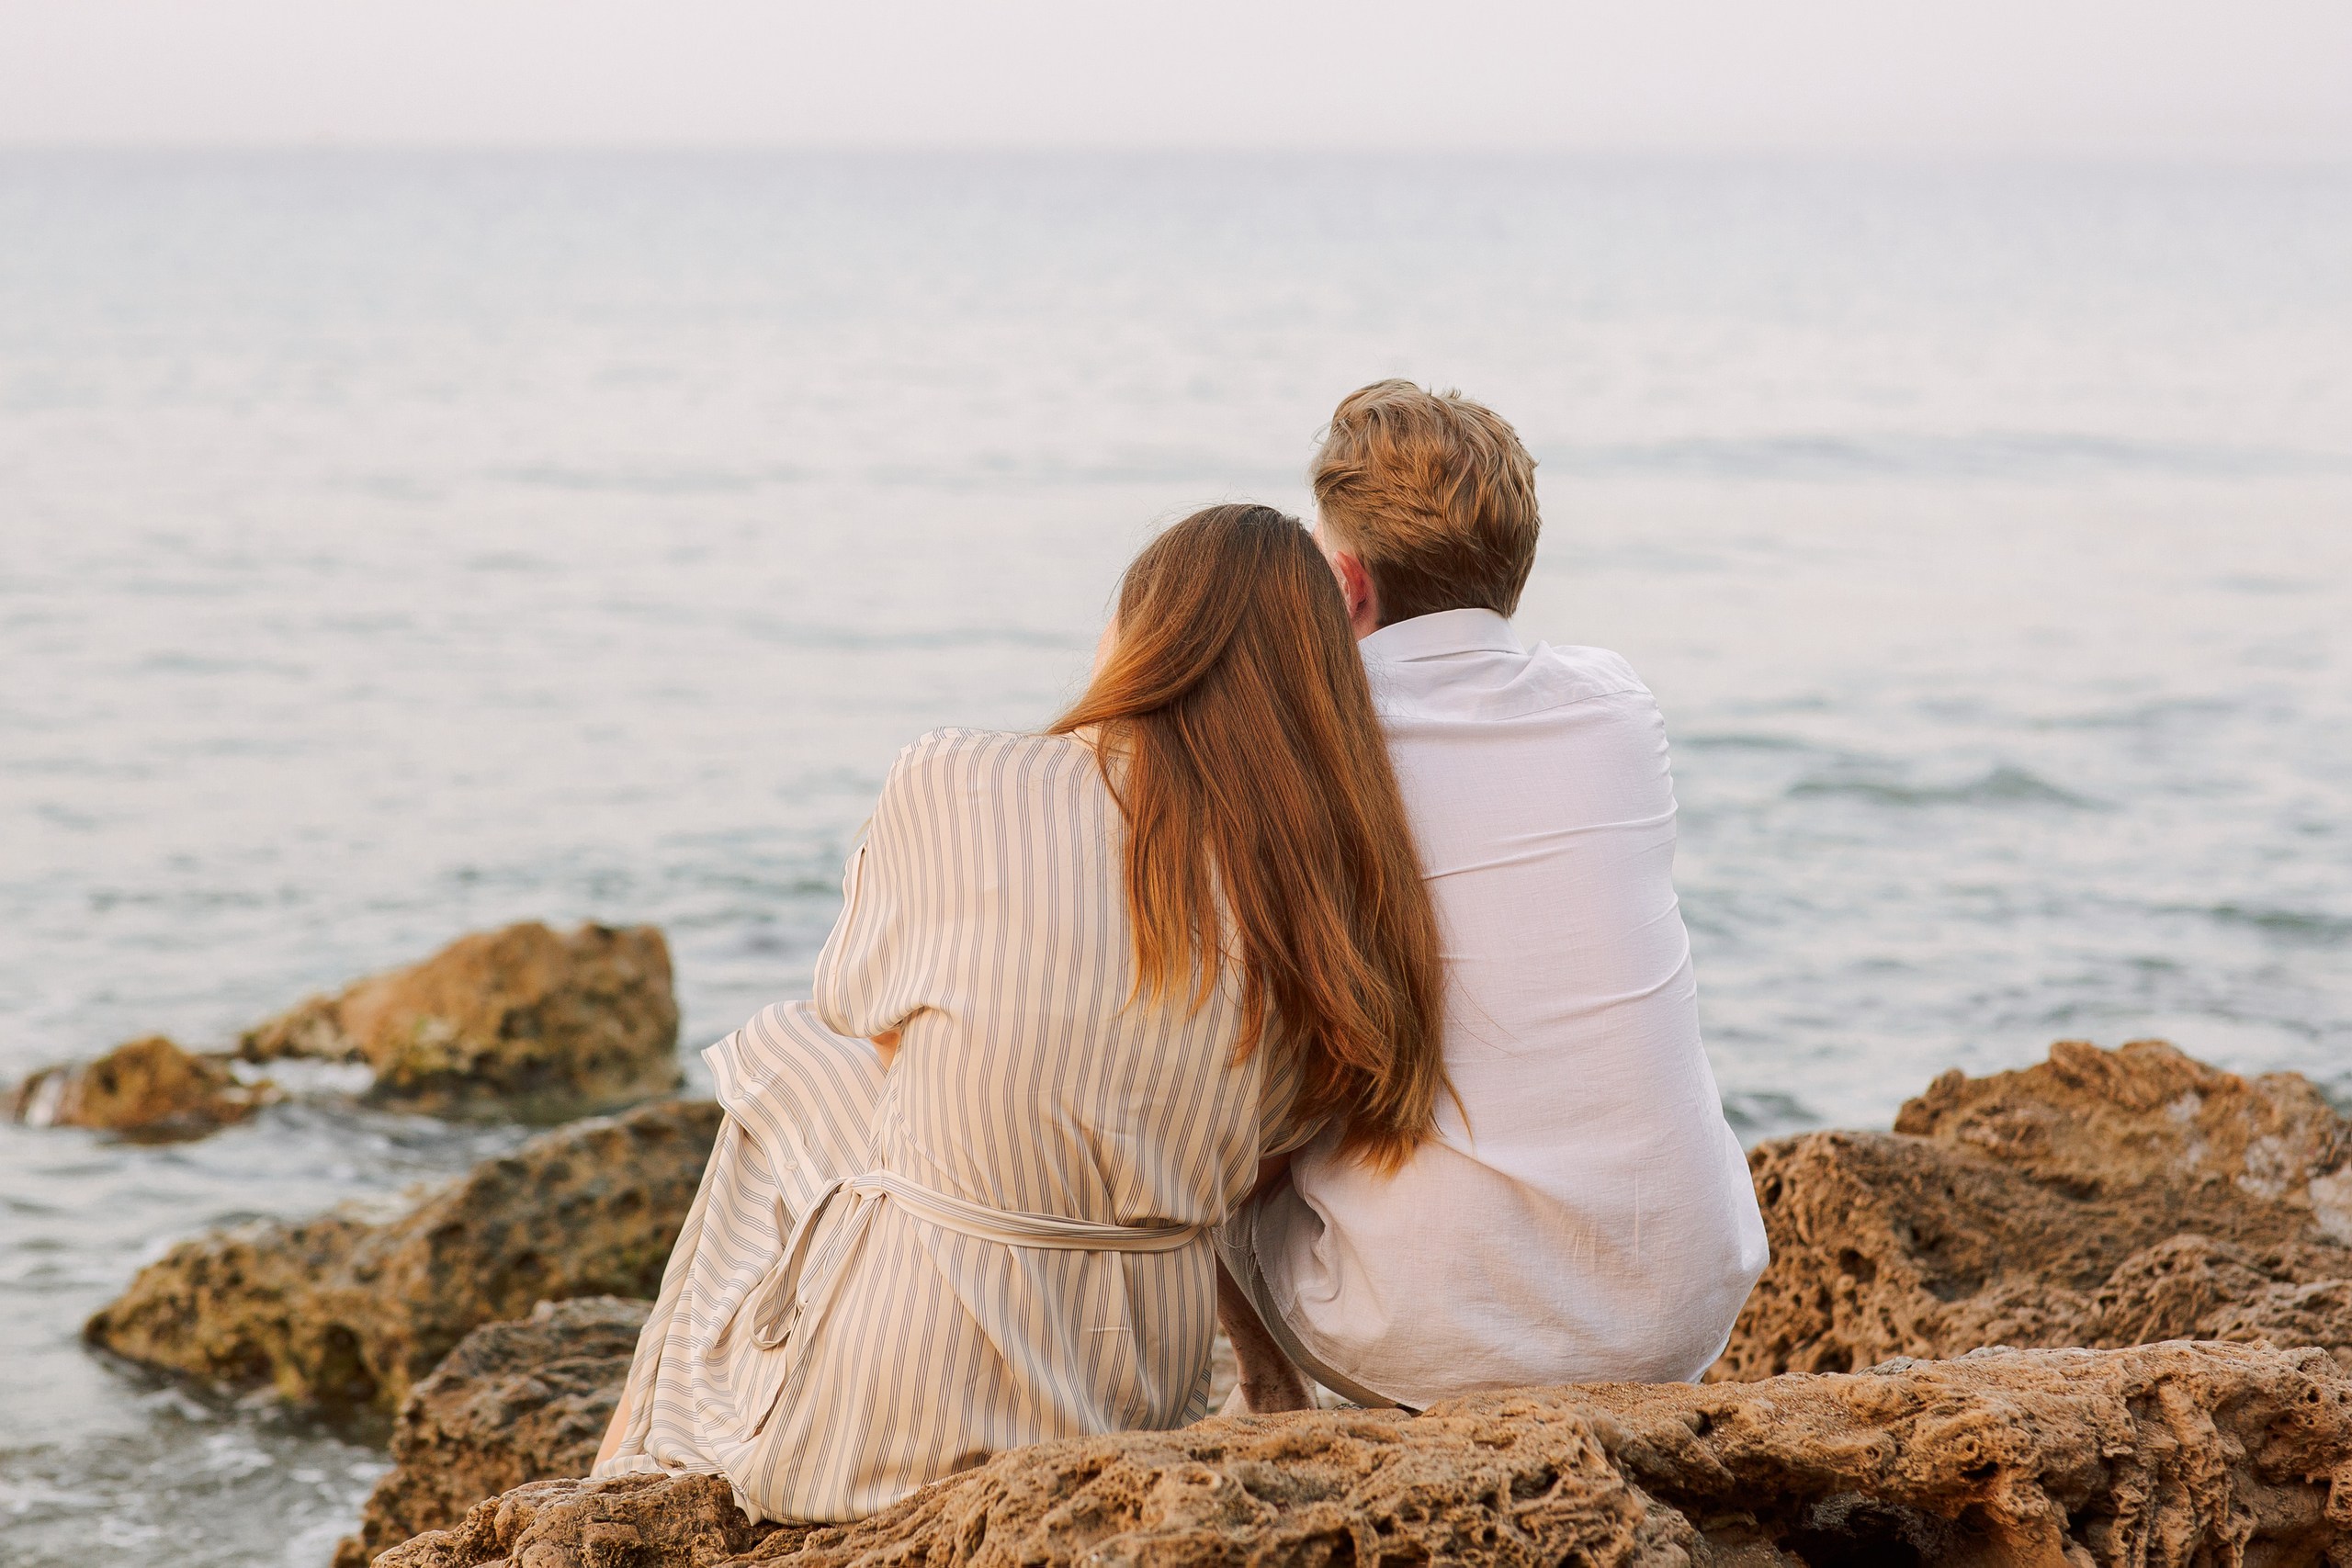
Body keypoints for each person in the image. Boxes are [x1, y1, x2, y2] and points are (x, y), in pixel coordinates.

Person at [593, 503, 1449, 1522]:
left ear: (1141, 635)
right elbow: (1275, 1136)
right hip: (1129, 1407)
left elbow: (857, 1003)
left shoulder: (957, 774)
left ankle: (636, 1462)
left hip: (889, 1414)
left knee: (784, 1054)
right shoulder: (1328, 886)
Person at [1216, 381, 1770, 1415]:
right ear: (1512, 571)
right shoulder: (1615, 703)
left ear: (1343, 583)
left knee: (1206, 1098)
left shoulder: (1302, 746)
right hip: (1679, 1310)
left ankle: (1270, 1402)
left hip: (1426, 1340)